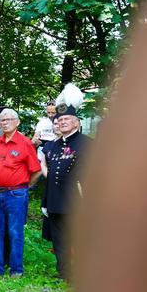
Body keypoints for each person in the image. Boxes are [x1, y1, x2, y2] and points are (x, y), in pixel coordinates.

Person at [0, 108, 41, 279]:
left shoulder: (25, 143)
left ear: (18, 122)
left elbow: (36, 171)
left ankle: (16, 270)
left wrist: (24, 187)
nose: (5, 122)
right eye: (2, 120)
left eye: (9, 119)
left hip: (16, 195)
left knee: (15, 232)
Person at [42, 101, 89, 280]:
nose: (62, 122)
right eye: (60, 120)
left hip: (75, 200)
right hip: (55, 199)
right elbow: (49, 172)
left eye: (67, 119)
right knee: (59, 239)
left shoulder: (86, 143)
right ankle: (64, 273)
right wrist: (45, 201)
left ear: (76, 122)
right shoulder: (53, 145)